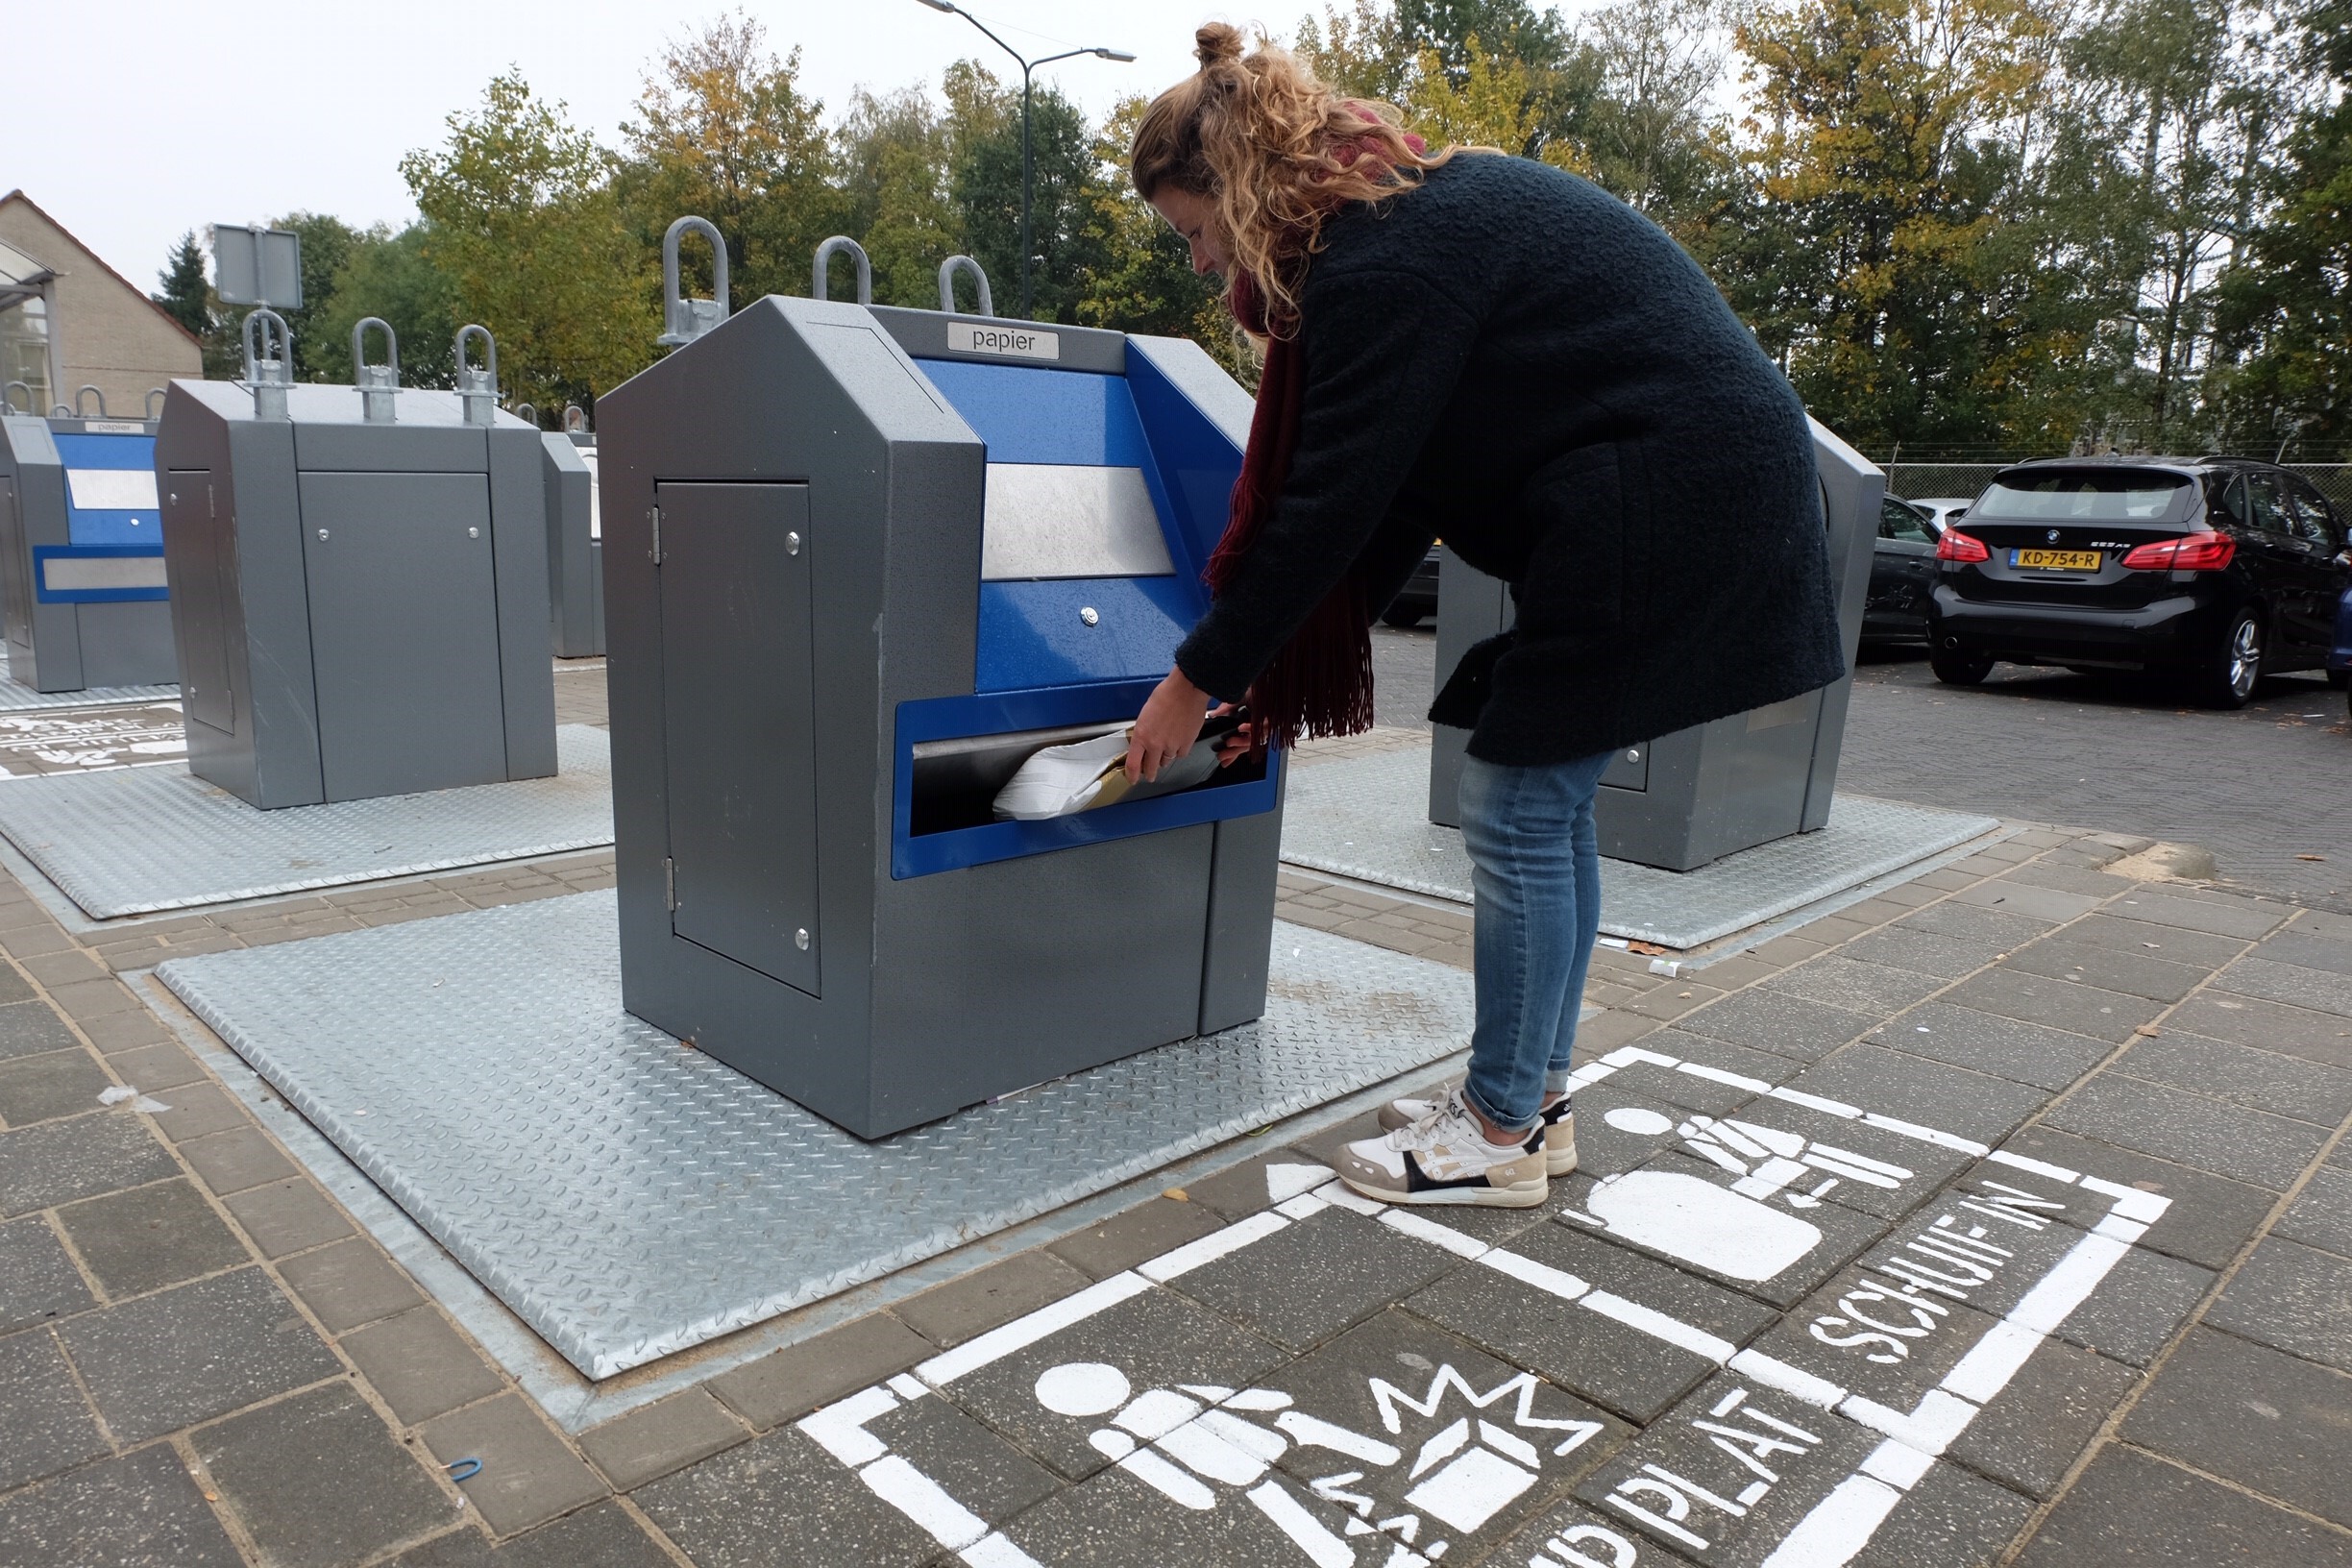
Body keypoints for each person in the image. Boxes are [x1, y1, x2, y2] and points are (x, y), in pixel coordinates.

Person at [1120, 25, 1844, 1208]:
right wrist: (1270, 670)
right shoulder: (1394, 215)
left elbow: (1330, 503)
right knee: (1545, 808)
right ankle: (1530, 1101)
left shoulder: (1379, 261)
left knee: (1515, 804)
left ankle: (1498, 1127)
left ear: (1242, 188)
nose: (1202, 263)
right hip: (1676, 494)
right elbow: (1397, 498)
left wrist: (1193, 681)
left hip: (1664, 503)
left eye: (1195, 231)